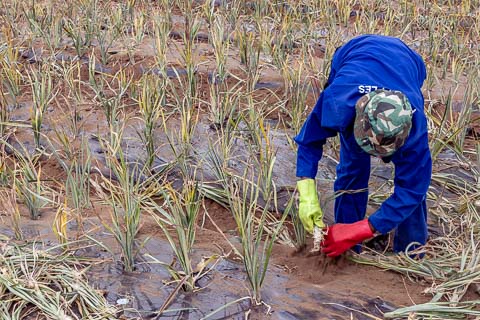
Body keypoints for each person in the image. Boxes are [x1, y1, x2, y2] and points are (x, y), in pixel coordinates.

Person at [294, 35, 432, 257]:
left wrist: (362, 229)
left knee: (413, 182)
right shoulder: (339, 102)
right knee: (353, 166)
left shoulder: (414, 124)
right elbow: (309, 141)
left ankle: (410, 254)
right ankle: (346, 249)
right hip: (354, 52)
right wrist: (307, 192)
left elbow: (413, 190)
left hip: (407, 62)